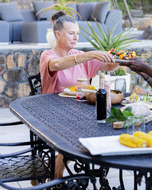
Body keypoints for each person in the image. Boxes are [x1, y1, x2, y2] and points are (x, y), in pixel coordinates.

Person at [39, 10, 118, 179]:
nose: (76, 37)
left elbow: (109, 66)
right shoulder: (48, 55)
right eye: (71, 33)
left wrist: (117, 58)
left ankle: (49, 168)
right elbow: (58, 65)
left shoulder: (77, 54)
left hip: (79, 109)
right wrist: (88, 54)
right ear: (58, 34)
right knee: (80, 132)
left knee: (102, 125)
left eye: (77, 34)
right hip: (52, 112)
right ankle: (56, 176)